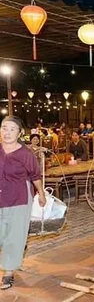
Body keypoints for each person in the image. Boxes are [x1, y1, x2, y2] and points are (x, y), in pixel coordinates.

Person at [0, 116, 46, 290]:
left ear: (20, 133)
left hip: (19, 197)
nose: (7, 132)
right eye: (4, 128)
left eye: (12, 129)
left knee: (14, 234)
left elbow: (35, 175)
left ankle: (9, 271)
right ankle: (14, 252)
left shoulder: (26, 154)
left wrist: (41, 194)